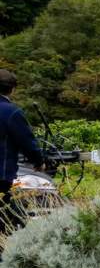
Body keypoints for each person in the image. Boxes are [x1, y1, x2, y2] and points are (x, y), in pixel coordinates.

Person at [0, 69, 45, 237]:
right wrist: (39, 162)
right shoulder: (11, 112)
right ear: (12, 89)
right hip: (1, 176)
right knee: (6, 219)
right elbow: (27, 142)